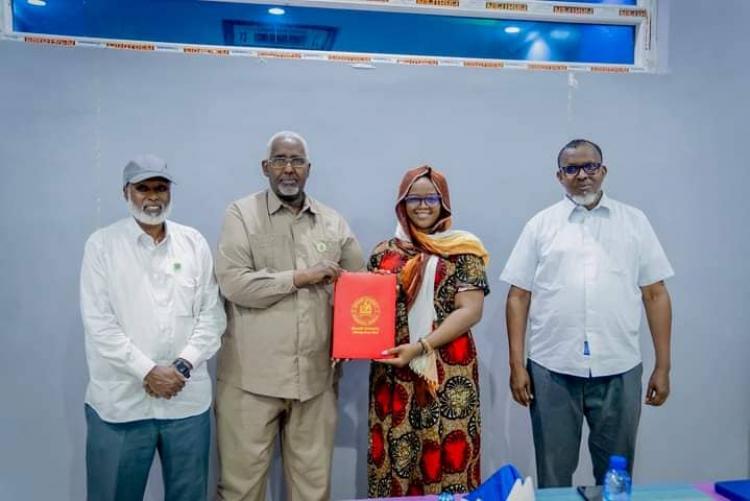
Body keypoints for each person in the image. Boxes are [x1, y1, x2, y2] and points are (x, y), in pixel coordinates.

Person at [501, 139, 674, 487]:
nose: (582, 176)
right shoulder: (541, 225)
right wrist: (517, 365)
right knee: (553, 477)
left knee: (615, 477)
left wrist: (663, 365)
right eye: (572, 169)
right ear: (559, 176)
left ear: (603, 170)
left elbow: (655, 294)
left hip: (619, 367)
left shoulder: (634, 222)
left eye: (590, 167)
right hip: (552, 369)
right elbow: (518, 297)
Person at [214, 131, 365, 501]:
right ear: (265, 167)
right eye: (280, 160)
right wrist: (300, 278)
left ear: (308, 170)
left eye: (297, 161)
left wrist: (354, 336)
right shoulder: (241, 215)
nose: (288, 169)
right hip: (251, 382)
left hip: (315, 383)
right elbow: (234, 284)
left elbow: (359, 289)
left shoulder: (332, 222)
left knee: (313, 492)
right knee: (240, 491)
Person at [80, 154, 227, 501]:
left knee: (189, 496)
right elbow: (99, 324)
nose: (152, 197)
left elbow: (212, 315)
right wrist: (148, 371)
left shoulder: (193, 243)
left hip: (185, 402)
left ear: (170, 193)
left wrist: (181, 366)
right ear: (125, 193)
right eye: (142, 188)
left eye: (160, 188)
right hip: (121, 404)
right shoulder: (102, 246)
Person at [367, 165, 490, 497]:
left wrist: (420, 347)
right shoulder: (383, 254)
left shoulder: (463, 249)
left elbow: (470, 310)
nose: (423, 205)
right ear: (401, 204)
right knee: (396, 454)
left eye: (431, 197)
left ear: (444, 202)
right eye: (414, 198)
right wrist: (347, 345)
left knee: (447, 451)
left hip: (448, 372)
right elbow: (366, 312)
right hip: (394, 372)